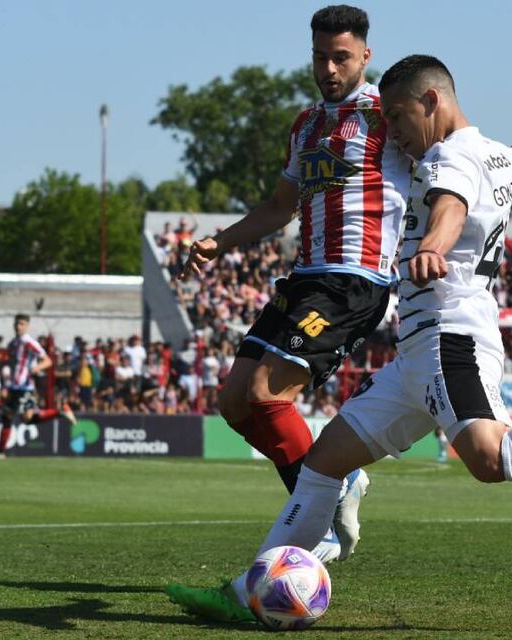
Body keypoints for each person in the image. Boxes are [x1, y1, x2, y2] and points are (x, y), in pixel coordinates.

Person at [166, 54, 512, 623]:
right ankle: (249, 595)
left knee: (493, 456)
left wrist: (433, 243)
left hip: (451, 334)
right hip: (416, 351)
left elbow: (450, 206)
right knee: (324, 463)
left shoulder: (446, 157)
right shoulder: (493, 153)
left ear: (432, 103)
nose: (396, 135)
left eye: (400, 119)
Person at [178, 4, 408, 562]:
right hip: (303, 278)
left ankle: (319, 519)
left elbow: (449, 155)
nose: (329, 69)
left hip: (354, 282)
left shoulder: (387, 114)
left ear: (365, 57)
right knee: (234, 403)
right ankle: (340, 482)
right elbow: (280, 206)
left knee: (266, 392)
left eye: (341, 57)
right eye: (320, 57)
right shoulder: (306, 124)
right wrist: (221, 241)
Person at [0, 314, 77, 459]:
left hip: (25, 387)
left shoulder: (29, 342)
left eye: (21, 324)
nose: (18, 326)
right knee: (14, 417)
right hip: (15, 387)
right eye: (16, 323)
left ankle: (0, 452)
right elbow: (10, 360)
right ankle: (0, 452)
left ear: (27, 326)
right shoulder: (13, 343)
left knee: (19, 417)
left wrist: (36, 368)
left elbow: (48, 361)